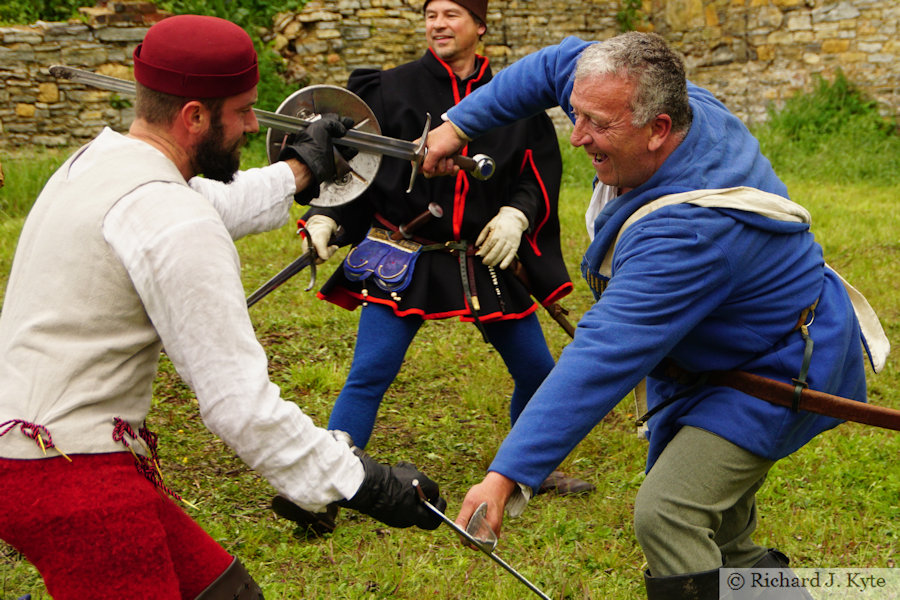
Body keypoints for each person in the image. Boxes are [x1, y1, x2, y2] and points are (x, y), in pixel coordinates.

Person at [421, 32, 889, 599]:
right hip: (718, 353)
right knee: (729, 546)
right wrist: (457, 126)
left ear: (659, 128)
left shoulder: (691, 235)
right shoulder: (649, 93)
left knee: (671, 515)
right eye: (578, 113)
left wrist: (505, 475)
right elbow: (551, 66)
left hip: (775, 366)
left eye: (597, 125)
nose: (577, 136)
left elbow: (603, 354)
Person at [0, 15, 445, 600]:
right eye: (243, 111)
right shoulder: (171, 217)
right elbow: (240, 406)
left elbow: (202, 200)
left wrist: (300, 171)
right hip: (70, 477)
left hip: (34, 455)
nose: (254, 124)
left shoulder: (100, 162)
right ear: (194, 116)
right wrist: (363, 482)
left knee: (228, 593)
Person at [285, 0, 592, 532]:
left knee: (538, 373)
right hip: (404, 255)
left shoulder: (517, 101)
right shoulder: (391, 90)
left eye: (452, 14)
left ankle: (528, 469)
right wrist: (326, 219)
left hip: (482, 255)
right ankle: (323, 492)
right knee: (370, 374)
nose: (438, 24)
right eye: (431, 14)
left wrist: (517, 215)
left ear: (480, 26)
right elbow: (358, 170)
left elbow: (535, 174)